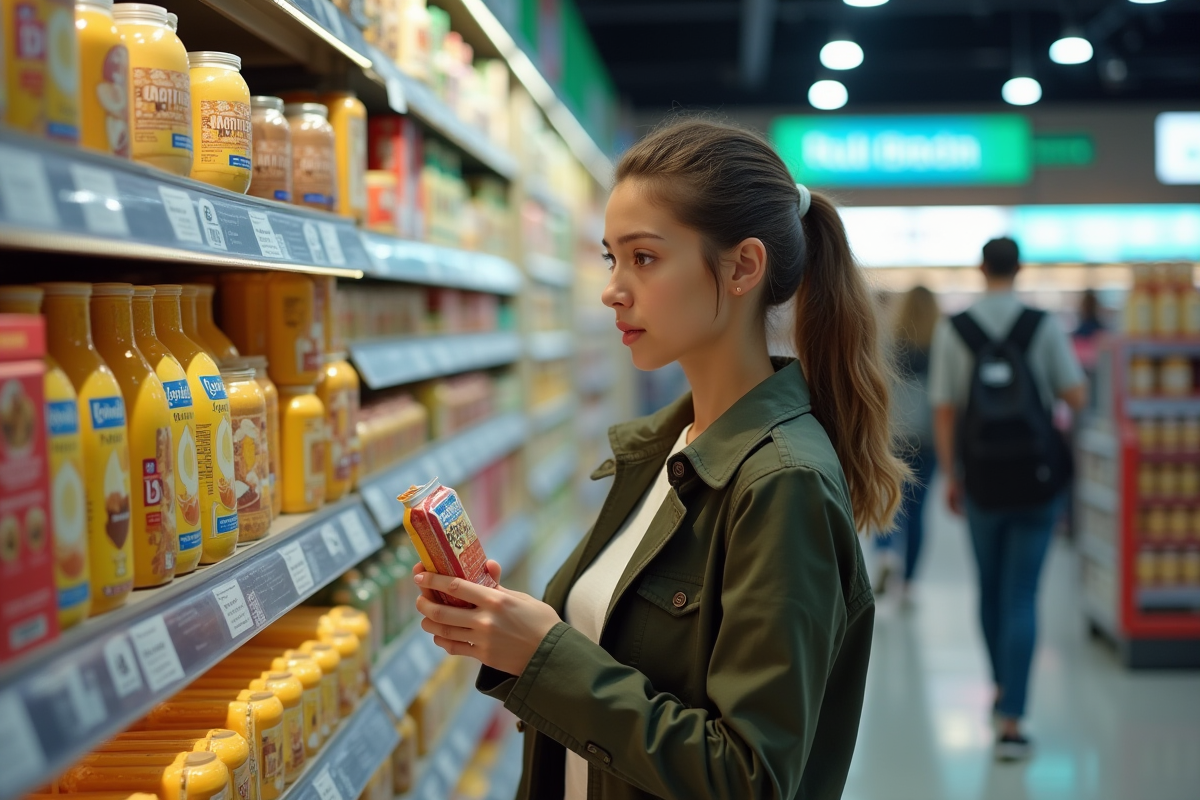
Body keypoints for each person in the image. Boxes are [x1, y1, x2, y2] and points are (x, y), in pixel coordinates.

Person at [412, 118, 908, 800]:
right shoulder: (664, 449)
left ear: (742, 267)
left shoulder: (781, 483)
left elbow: (750, 780)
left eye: (643, 258)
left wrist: (543, 656)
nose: (614, 289)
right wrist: (508, 628)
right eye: (611, 258)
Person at [929, 237, 1086, 762]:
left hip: (983, 483)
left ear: (981, 268)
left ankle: (1001, 688)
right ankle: (1014, 720)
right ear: (1020, 269)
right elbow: (1076, 395)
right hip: (1037, 479)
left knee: (990, 591)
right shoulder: (1041, 327)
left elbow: (945, 410)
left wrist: (954, 475)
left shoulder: (956, 329)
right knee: (1022, 595)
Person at [875, 286, 940, 604]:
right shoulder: (941, 344)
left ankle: (886, 553)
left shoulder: (889, 342)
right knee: (918, 512)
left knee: (889, 500)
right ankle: (909, 583)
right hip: (929, 437)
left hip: (894, 434)